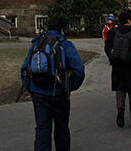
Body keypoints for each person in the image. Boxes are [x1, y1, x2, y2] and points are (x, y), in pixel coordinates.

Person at [20, 15, 85, 151]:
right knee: (61, 130)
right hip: (59, 94)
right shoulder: (65, 44)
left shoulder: (37, 42)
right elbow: (79, 71)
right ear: (62, 28)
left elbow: (25, 70)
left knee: (42, 131)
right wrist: (67, 87)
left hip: (39, 94)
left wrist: (32, 89)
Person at [105, 11, 131, 129]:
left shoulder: (112, 32)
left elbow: (107, 47)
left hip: (117, 66)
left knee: (120, 90)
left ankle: (120, 111)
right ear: (128, 20)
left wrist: (112, 60)